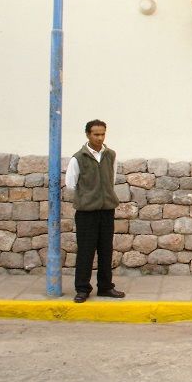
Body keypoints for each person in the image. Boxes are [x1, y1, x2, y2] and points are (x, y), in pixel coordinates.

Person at [65, 119, 125, 303]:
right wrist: (88, 198)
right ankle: (82, 288)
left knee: (106, 250)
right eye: (95, 134)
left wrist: (104, 197)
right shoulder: (78, 158)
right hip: (86, 212)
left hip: (106, 210)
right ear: (88, 135)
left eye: (102, 134)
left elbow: (111, 180)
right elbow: (70, 185)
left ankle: (105, 287)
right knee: (86, 251)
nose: (99, 138)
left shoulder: (111, 155)